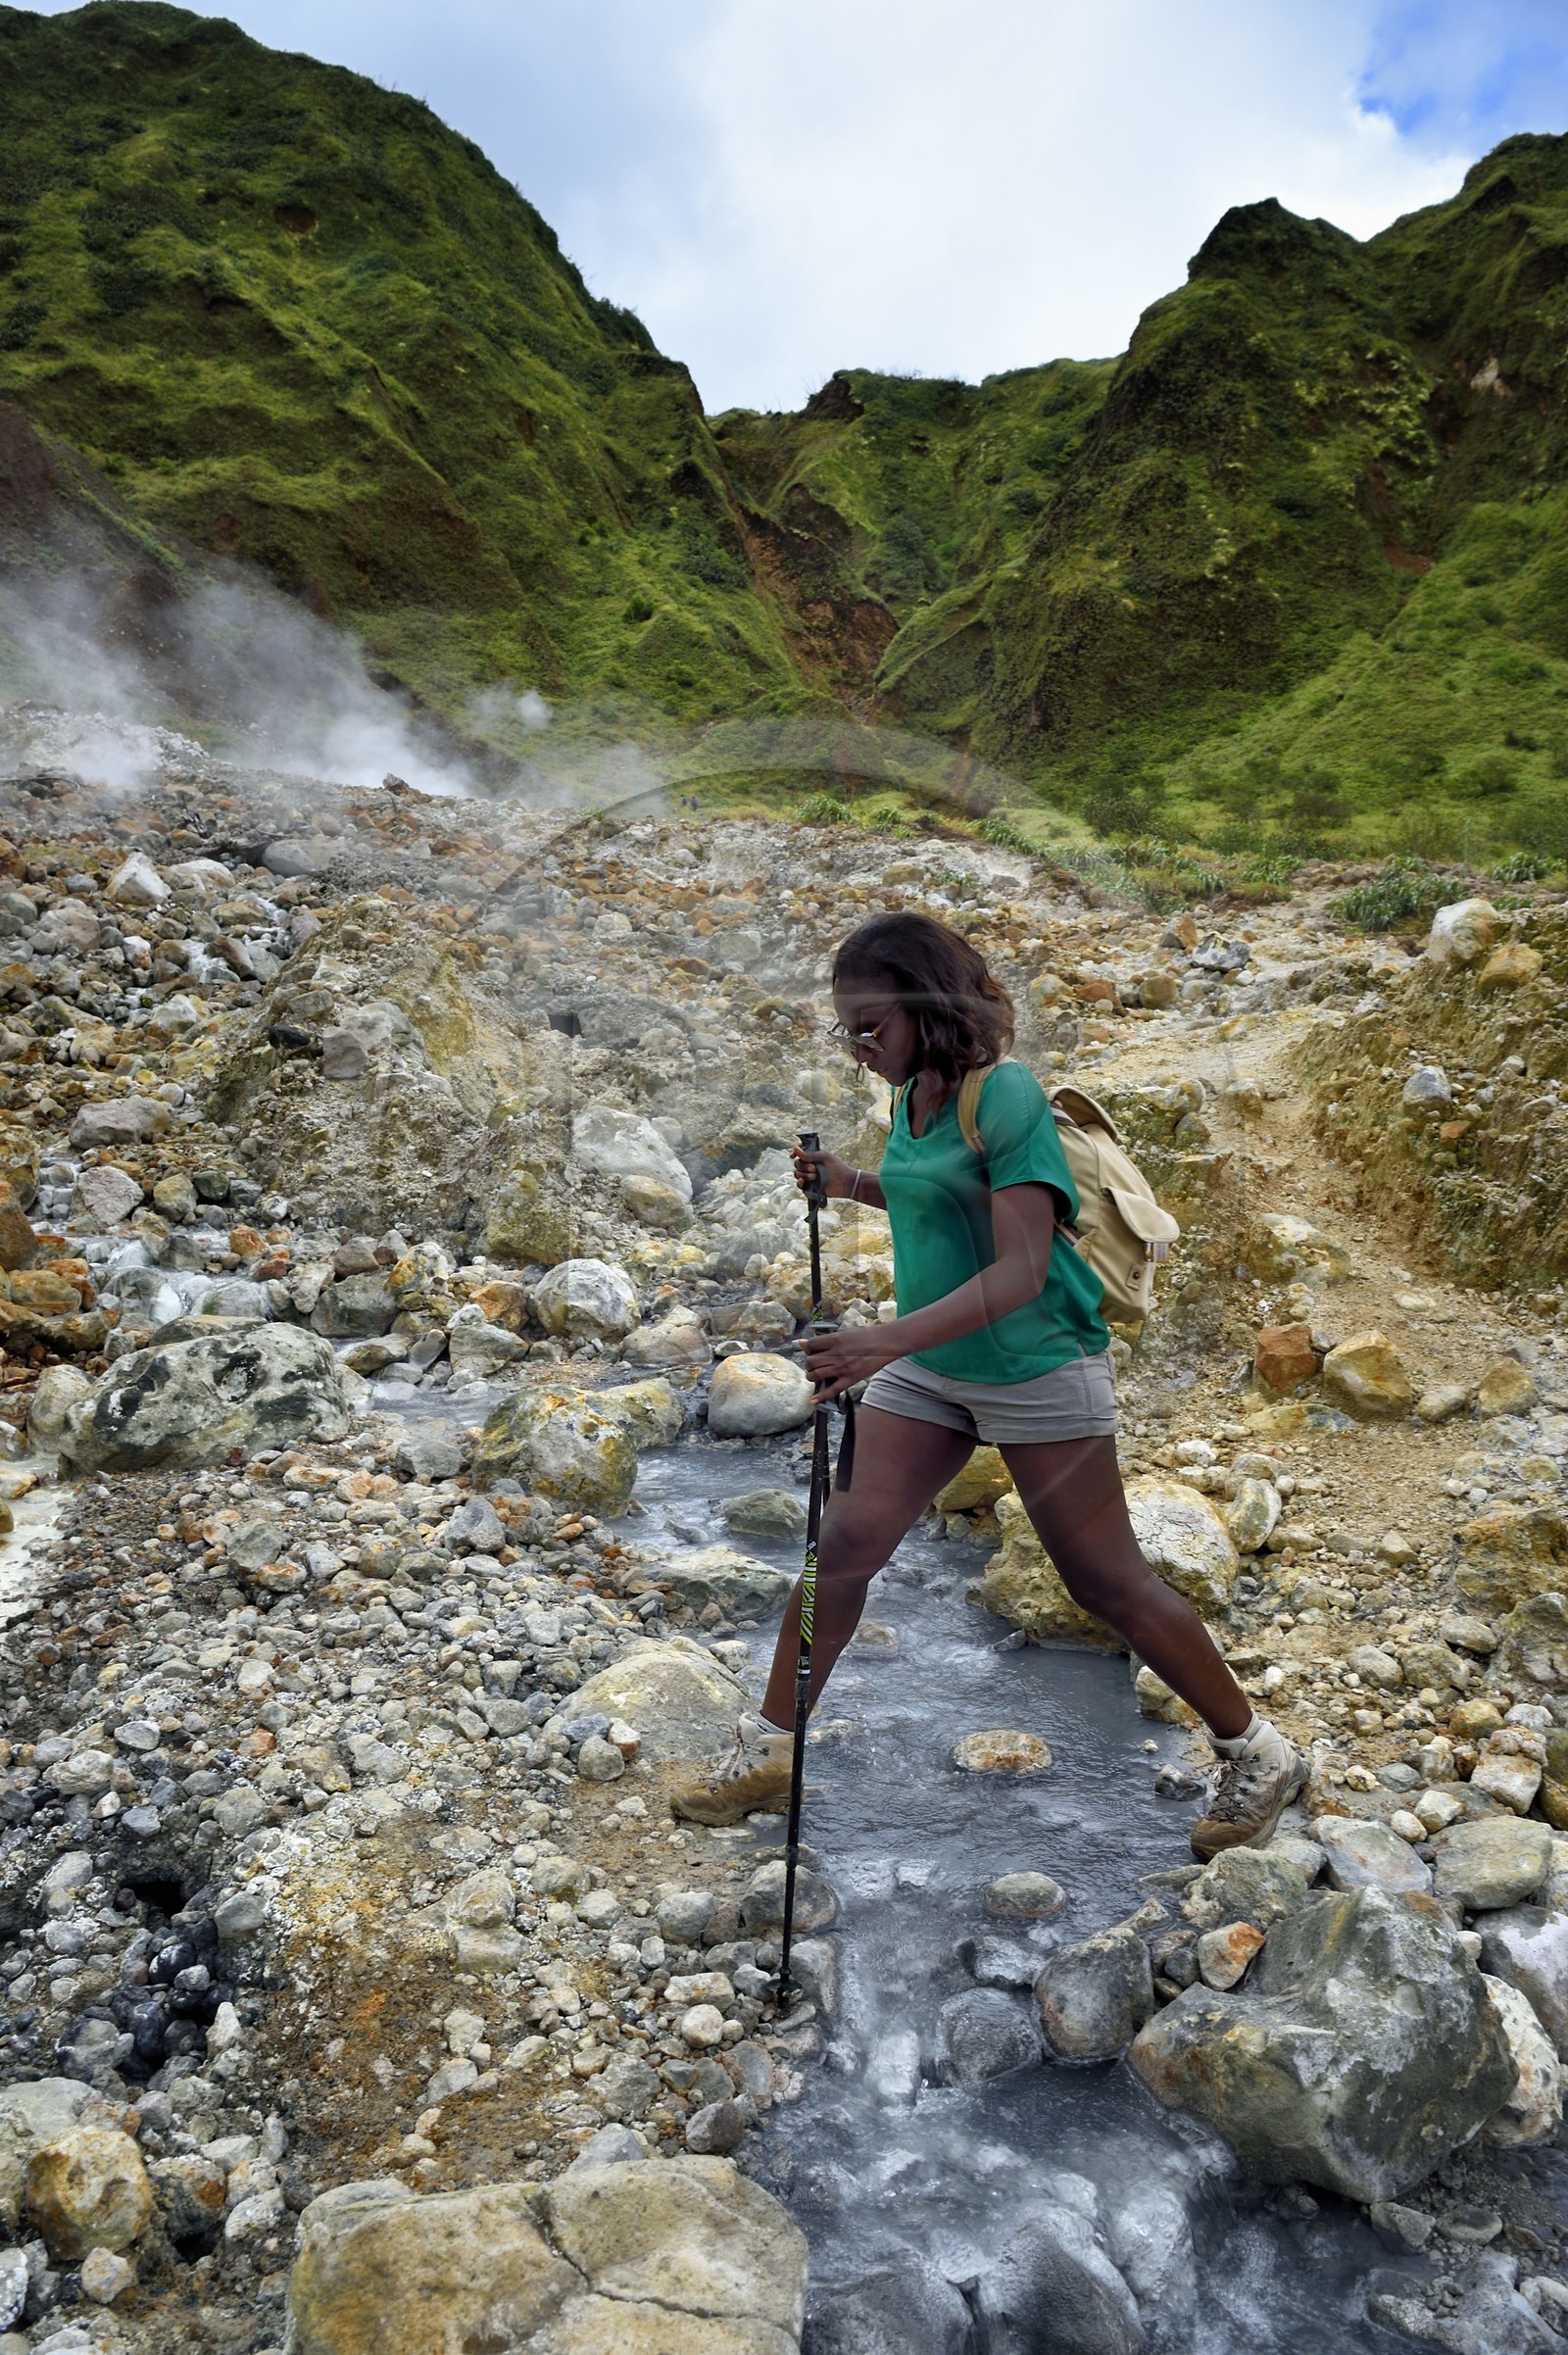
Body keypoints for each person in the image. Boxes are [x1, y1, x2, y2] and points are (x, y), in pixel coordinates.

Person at [669, 910, 1304, 1858]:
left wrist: (879, 1341)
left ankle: (1258, 1750)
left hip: (1038, 1362)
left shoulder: (1002, 1096)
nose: (859, 1046)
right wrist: (850, 1182)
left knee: (1105, 1581)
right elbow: (937, 1195)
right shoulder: (915, 1095)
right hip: (933, 1366)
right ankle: (768, 1748)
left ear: (928, 1006)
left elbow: (1017, 1268)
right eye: (847, 1028)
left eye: (872, 1024)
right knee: (841, 1546)